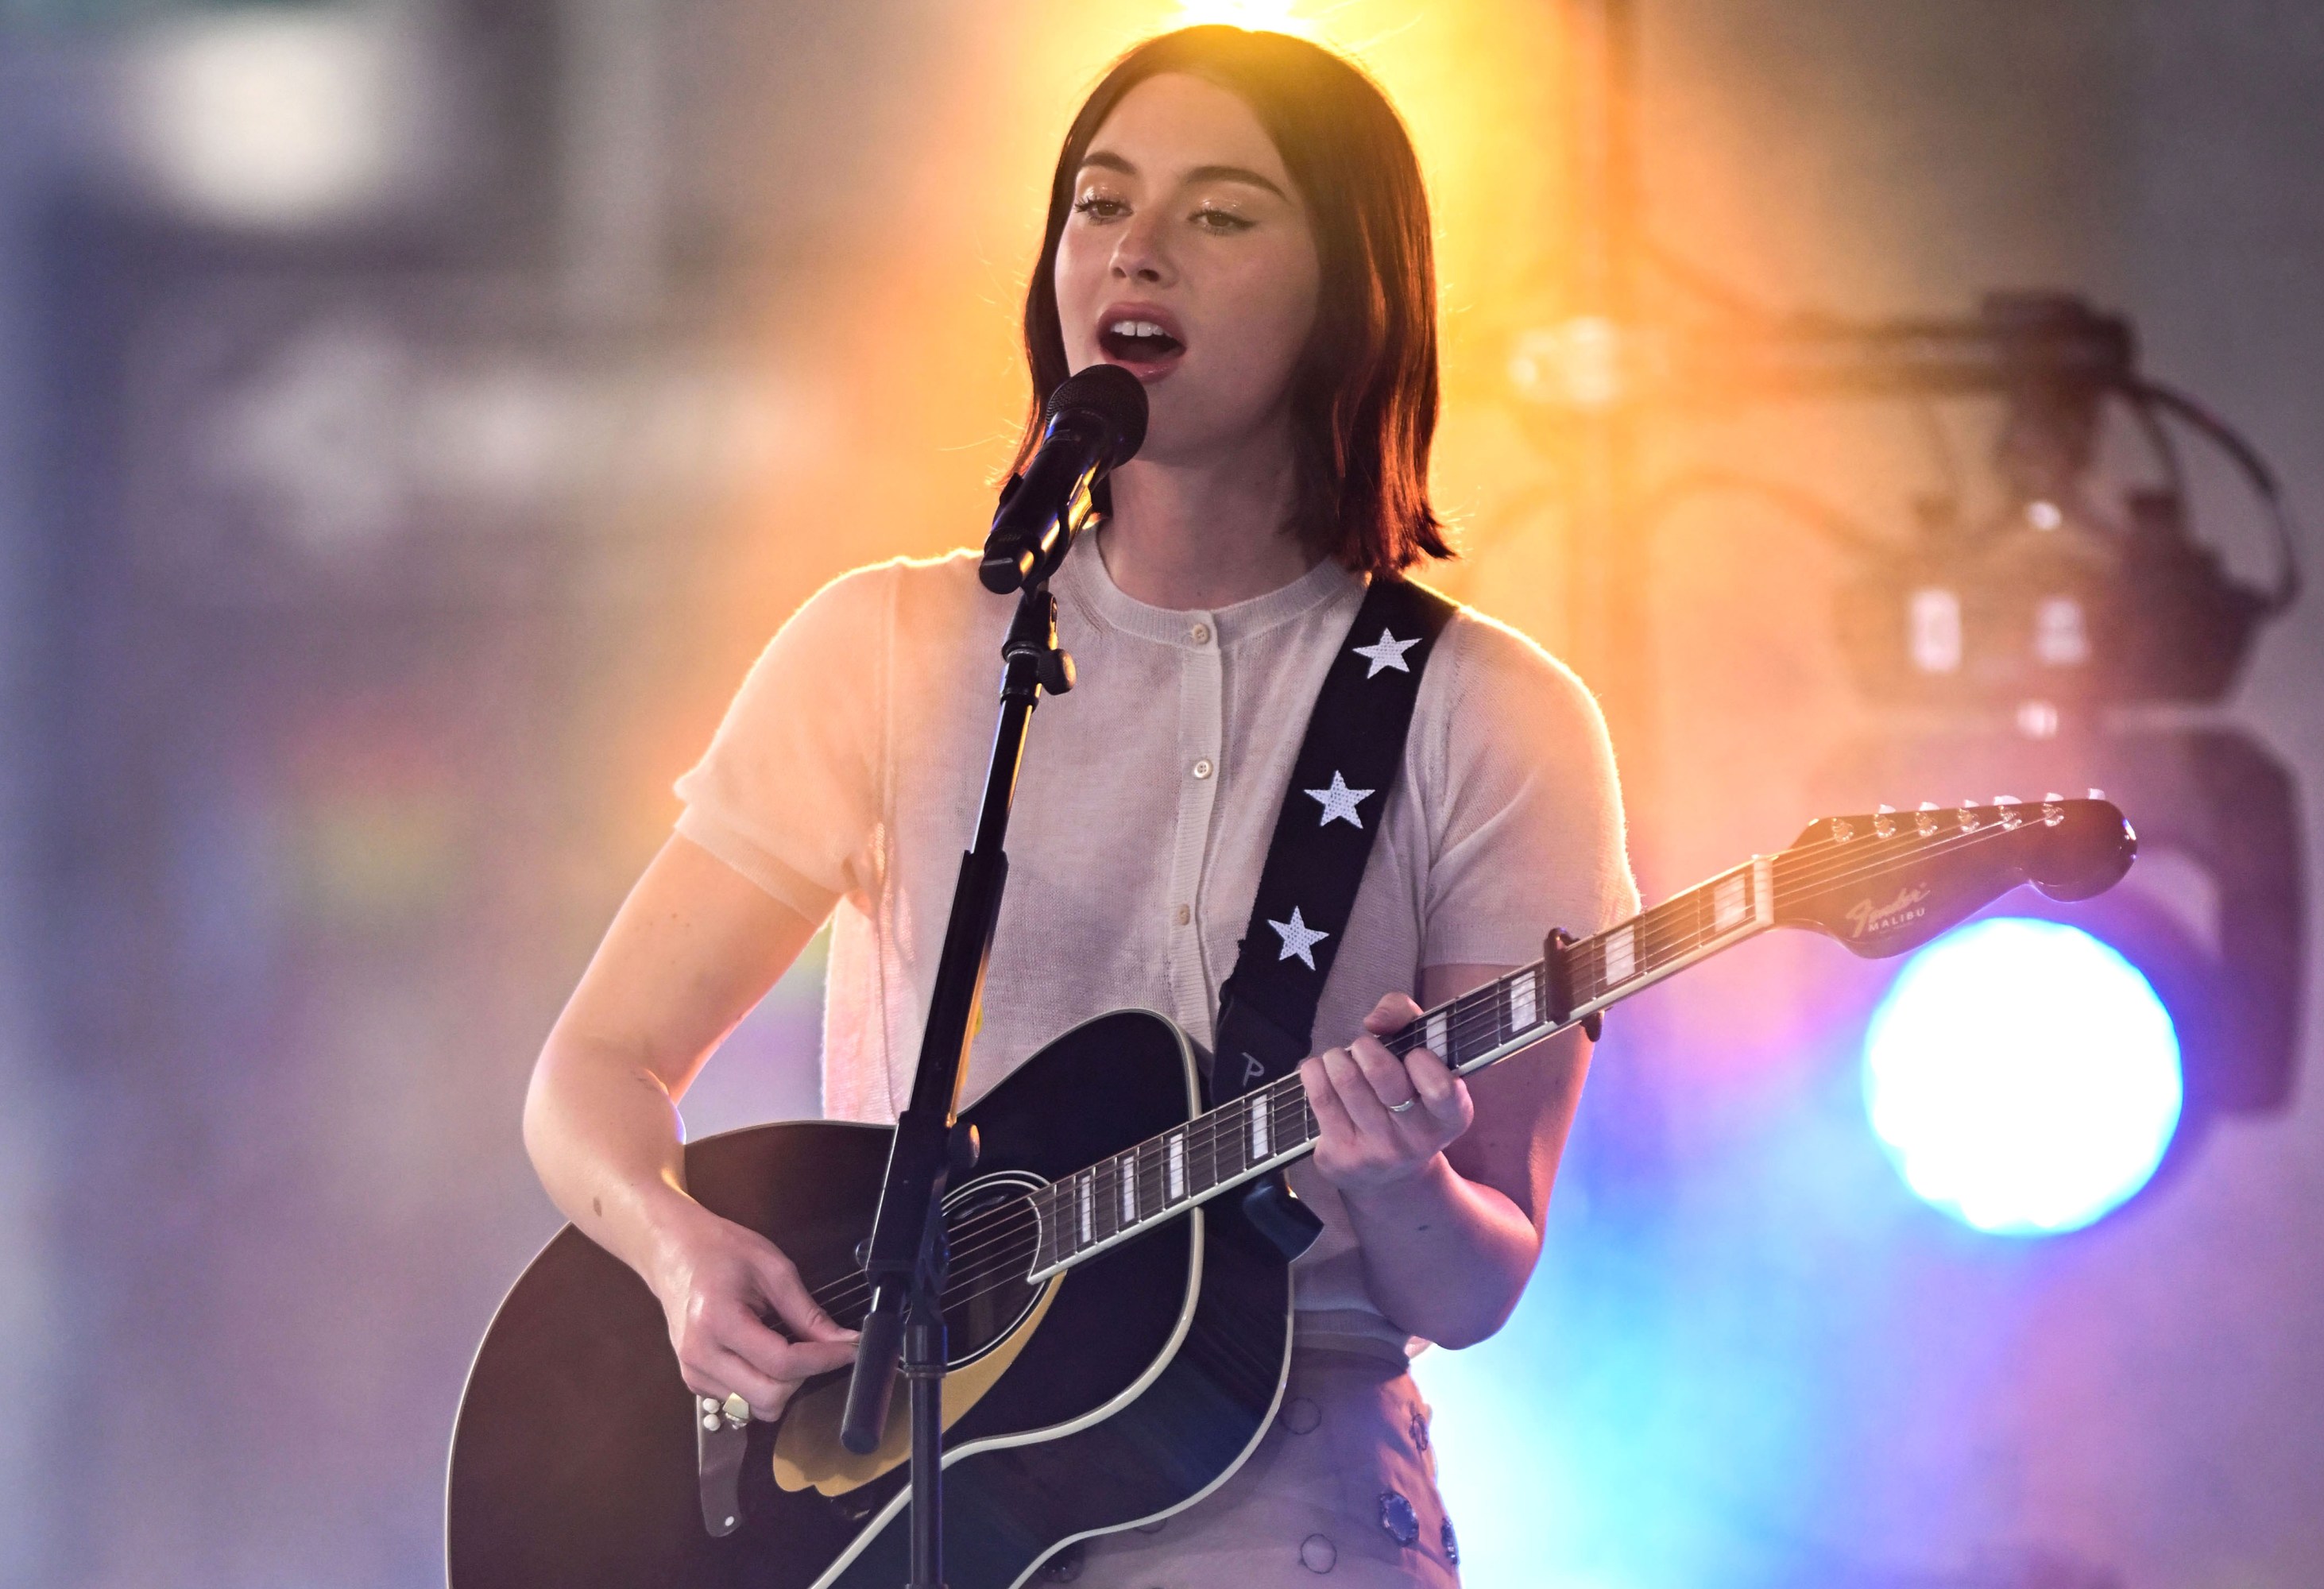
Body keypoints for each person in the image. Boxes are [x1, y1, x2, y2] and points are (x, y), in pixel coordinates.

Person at [522, 25, 1634, 1587]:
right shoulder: (892, 650)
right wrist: (676, 1247)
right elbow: (592, 1068)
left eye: (1224, 215)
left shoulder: (1488, 710)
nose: (1139, 251)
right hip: (903, 1495)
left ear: (1354, 289)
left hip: (1285, 1503)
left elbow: (1474, 1280)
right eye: (1101, 204)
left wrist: (1398, 1177)